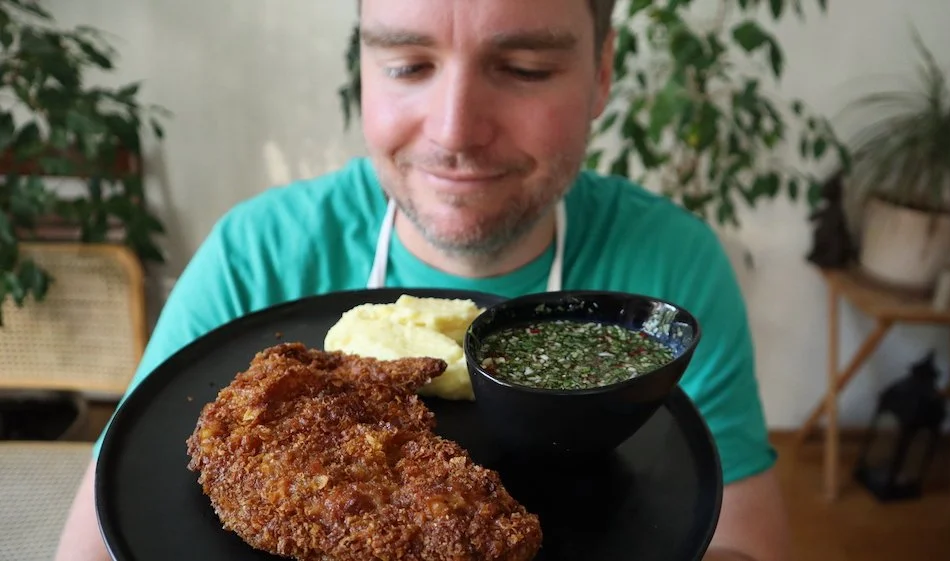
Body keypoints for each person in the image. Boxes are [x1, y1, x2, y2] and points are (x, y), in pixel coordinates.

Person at [56, 0, 791, 559]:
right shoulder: (256, 253)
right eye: (407, 65)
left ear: (601, 74)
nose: (454, 131)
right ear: (361, 73)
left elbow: (744, 537)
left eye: (525, 68)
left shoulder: (674, 265)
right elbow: (99, 535)